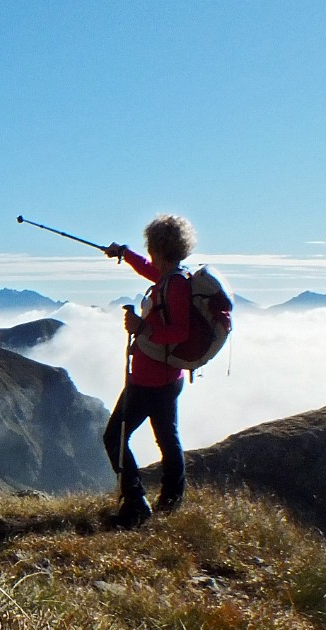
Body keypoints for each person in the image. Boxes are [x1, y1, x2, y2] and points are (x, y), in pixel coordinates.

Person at [101, 214, 197, 528]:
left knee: (114, 437)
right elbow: (148, 268)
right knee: (167, 438)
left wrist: (143, 327)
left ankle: (135, 501)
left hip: (149, 380)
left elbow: (180, 331)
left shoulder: (176, 285)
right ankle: (171, 499)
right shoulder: (171, 277)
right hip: (168, 378)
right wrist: (124, 253)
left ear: (157, 245)